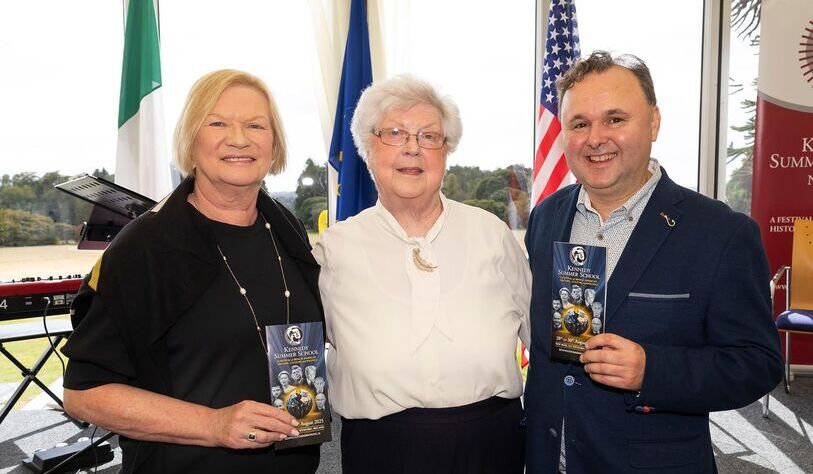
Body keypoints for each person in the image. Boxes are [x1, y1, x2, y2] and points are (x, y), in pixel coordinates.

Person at [523, 51, 783, 473]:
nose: (595, 138)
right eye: (580, 123)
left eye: (615, 119)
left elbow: (757, 362)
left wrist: (652, 370)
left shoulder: (720, 233)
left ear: (654, 123)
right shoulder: (546, 217)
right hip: (550, 459)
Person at [61, 69, 324, 473]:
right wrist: (212, 425)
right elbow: (84, 393)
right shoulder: (146, 247)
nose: (239, 138)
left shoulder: (285, 229)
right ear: (190, 139)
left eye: (255, 124)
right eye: (217, 123)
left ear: (274, 144)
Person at [313, 74, 530, 474]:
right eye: (394, 133)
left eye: (429, 136)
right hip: (380, 450)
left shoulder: (492, 234)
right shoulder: (333, 250)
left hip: (492, 446)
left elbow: (541, 339)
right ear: (366, 147)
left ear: (446, 151)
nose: (412, 148)